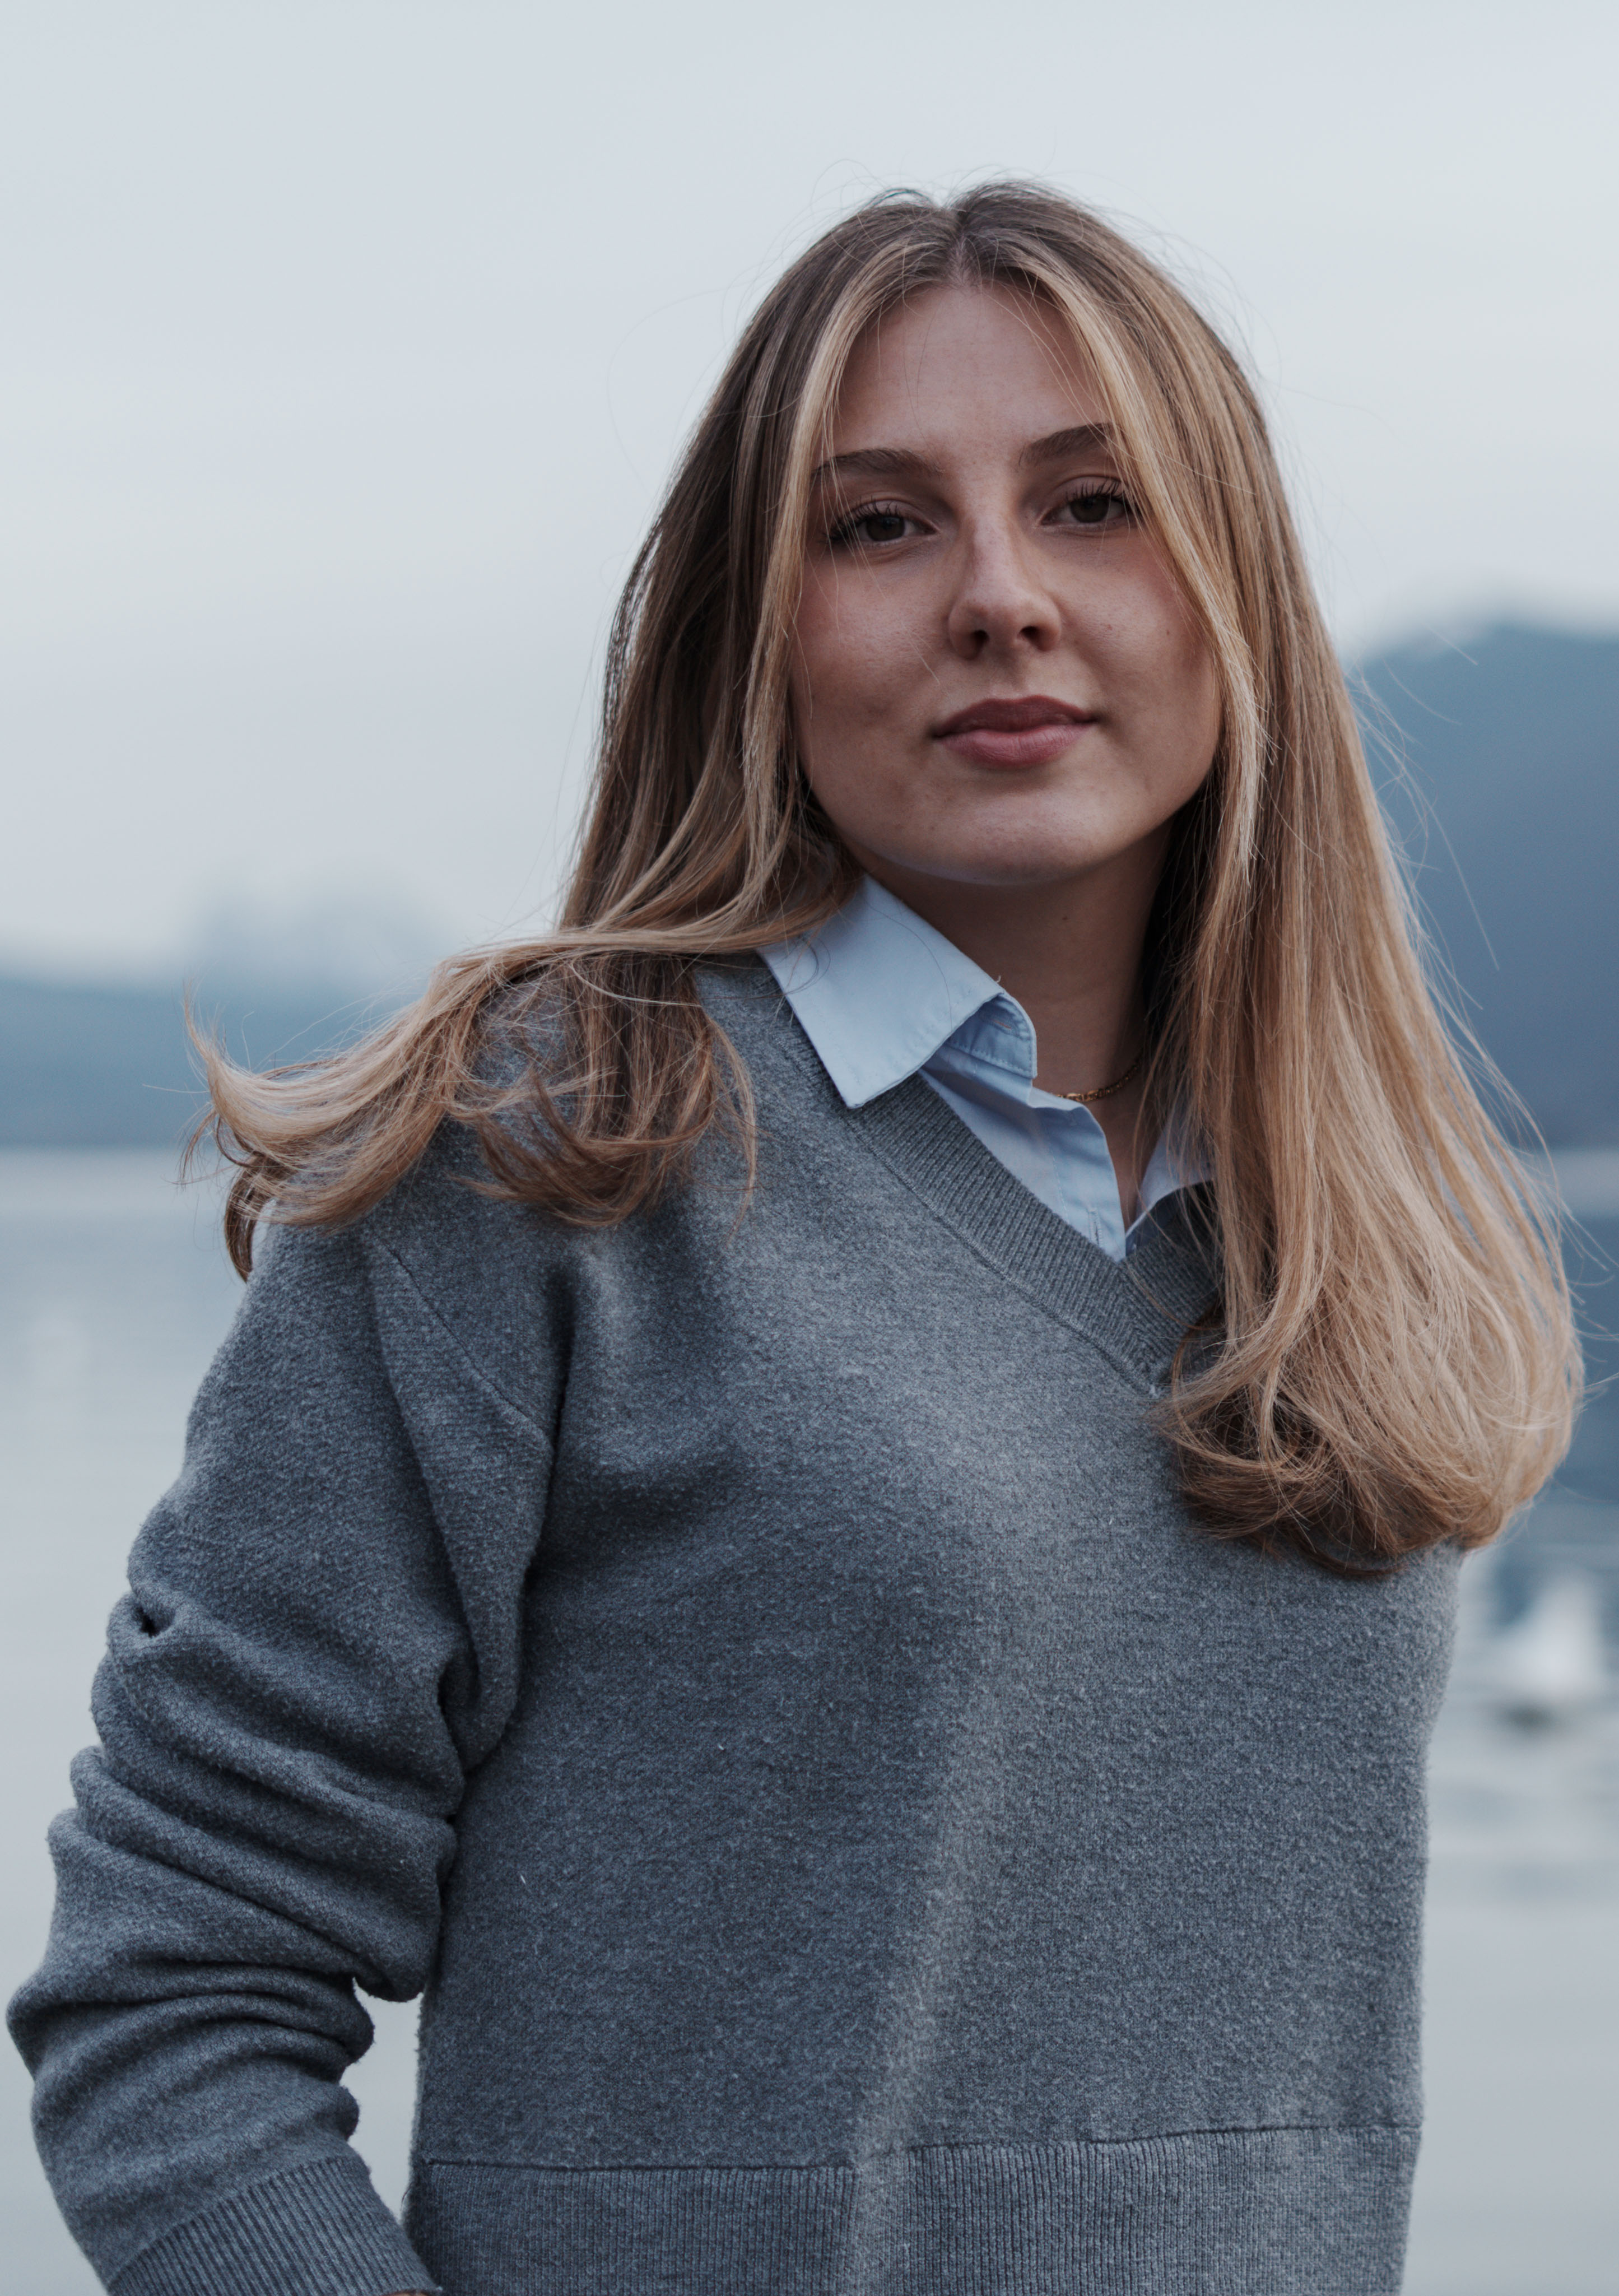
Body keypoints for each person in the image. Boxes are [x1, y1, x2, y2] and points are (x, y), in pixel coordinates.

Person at [10, 183, 1578, 2296]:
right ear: (757, 626)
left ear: (1234, 595)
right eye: (879, 524)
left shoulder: (1350, 1223)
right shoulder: (537, 1156)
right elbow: (173, 1999)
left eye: (1093, 503)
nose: (1001, 596)